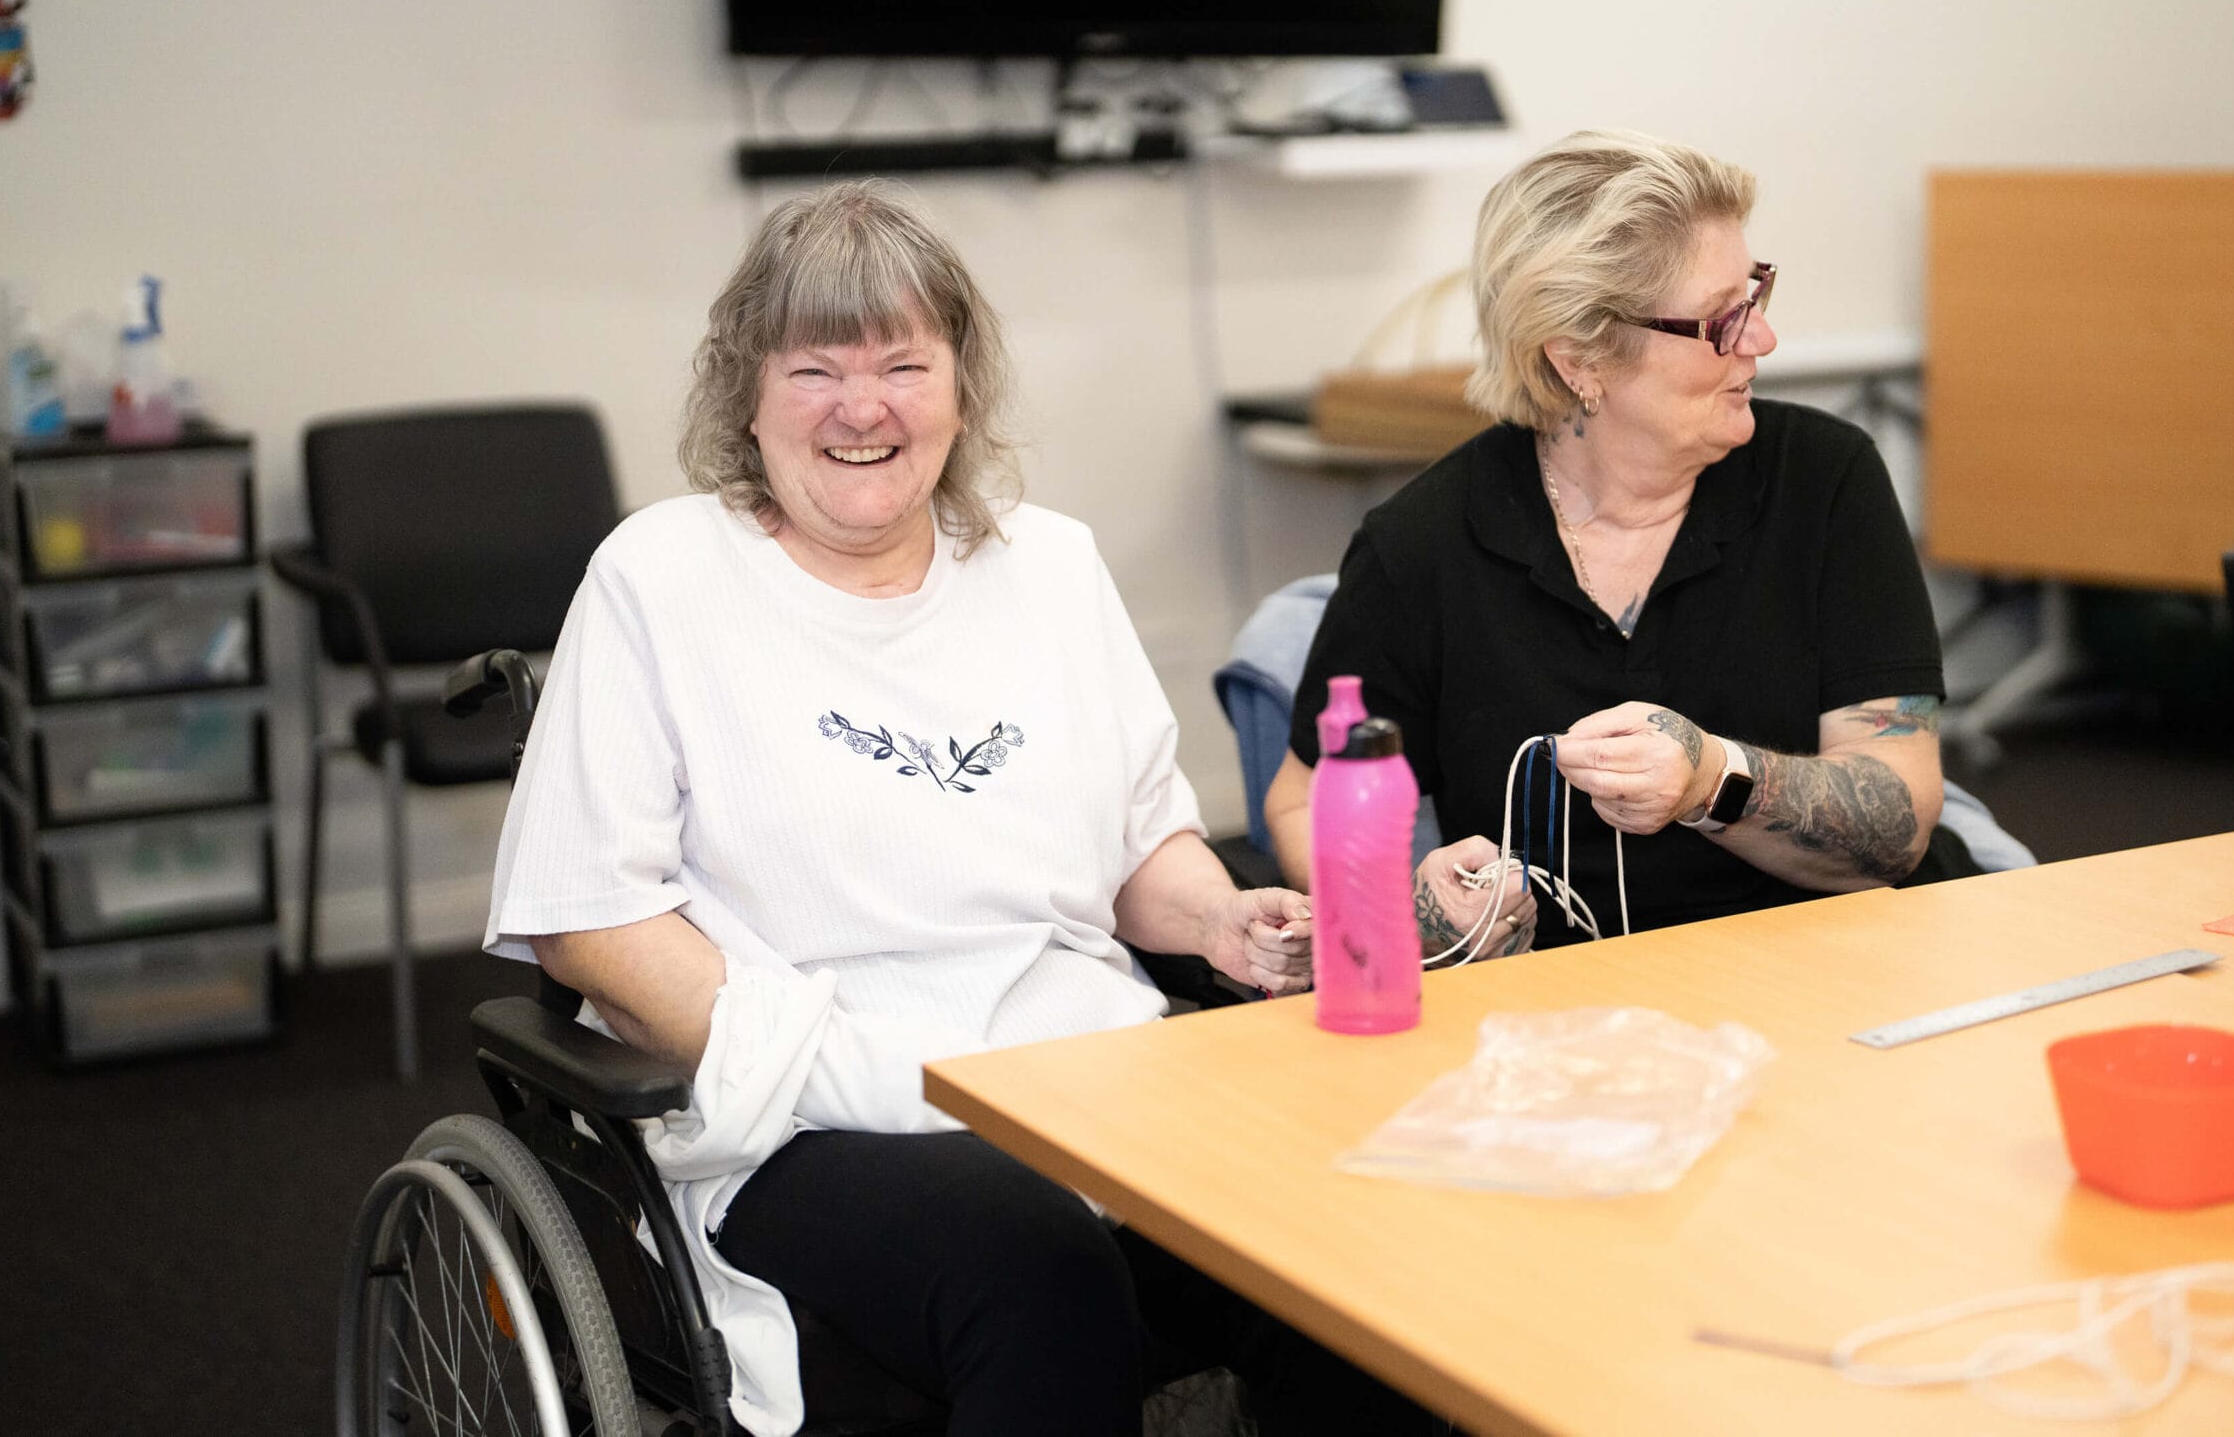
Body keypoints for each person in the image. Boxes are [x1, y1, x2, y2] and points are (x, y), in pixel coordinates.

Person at [484, 182, 1423, 1437]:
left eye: (902, 364)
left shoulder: (1051, 566)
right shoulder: (661, 579)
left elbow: (1143, 841)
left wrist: (1223, 920)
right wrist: (834, 1062)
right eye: (814, 367)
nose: (862, 407)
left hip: (1085, 1063)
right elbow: (589, 918)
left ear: (960, 385)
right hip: (810, 1104)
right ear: (746, 393)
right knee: (1033, 1260)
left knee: (1350, 1212)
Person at [1264, 130, 1970, 955]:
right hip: (1568, 1016)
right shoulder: (1421, 546)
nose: (1761, 340)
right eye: (1722, 320)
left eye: (1756, 294)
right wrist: (1405, 911)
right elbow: (1304, 799)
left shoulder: (1823, 480)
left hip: (1842, 965)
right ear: (1579, 360)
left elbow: (1901, 821)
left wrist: (1715, 779)